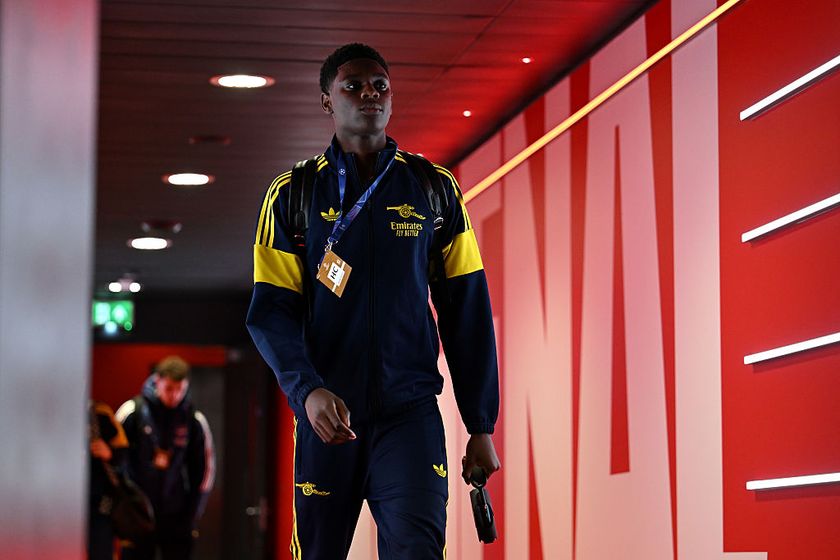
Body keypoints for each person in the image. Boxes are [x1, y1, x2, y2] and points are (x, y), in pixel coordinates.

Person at [246, 43, 501, 559]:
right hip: (326, 417)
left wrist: (480, 425)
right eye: (353, 85)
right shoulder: (293, 193)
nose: (369, 94)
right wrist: (308, 391)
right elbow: (271, 313)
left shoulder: (434, 187)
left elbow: (466, 310)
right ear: (326, 100)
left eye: (380, 85)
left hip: (409, 418)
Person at [115, 356, 215, 560]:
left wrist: (192, 515)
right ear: (156, 380)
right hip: (137, 514)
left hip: (176, 514)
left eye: (180, 389)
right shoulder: (132, 411)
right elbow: (115, 462)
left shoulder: (194, 420)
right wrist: (123, 509)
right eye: (169, 388)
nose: (175, 395)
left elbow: (204, 471)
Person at [88, 400, 129, 560]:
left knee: (101, 552)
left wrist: (109, 453)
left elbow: (125, 456)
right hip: (61, 503)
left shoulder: (100, 414)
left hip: (100, 503)